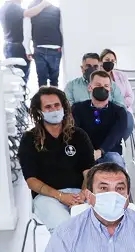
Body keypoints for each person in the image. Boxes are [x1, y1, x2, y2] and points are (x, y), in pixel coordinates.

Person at [18, 86, 94, 232]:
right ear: (39, 112)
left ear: (63, 107)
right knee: (66, 227)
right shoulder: (29, 139)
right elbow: (31, 181)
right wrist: (60, 196)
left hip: (79, 194)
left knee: (93, 226)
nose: (54, 110)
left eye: (57, 105)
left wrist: (83, 193)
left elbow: (89, 171)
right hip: (47, 197)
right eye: (48, 107)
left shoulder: (79, 135)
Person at [71, 70, 129, 168]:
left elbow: (115, 136)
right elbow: (76, 132)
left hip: (110, 152)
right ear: (90, 87)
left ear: (110, 89)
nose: (102, 88)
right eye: (98, 85)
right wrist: (89, 152)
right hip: (84, 152)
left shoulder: (119, 112)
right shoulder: (77, 108)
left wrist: (100, 151)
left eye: (106, 86)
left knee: (115, 160)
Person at [25, 0, 62, 87]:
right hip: (55, 47)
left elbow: (27, 30)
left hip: (39, 46)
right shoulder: (56, 9)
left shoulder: (31, 9)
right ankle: (55, 99)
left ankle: (42, 100)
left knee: (42, 80)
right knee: (54, 79)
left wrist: (27, 49)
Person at [100, 48, 135, 136]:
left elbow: (130, 97)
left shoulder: (122, 76)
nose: (110, 62)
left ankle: (118, 144)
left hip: (123, 109)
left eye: (112, 61)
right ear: (101, 61)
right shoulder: (95, 77)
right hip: (103, 111)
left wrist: (118, 106)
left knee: (127, 124)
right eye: (107, 60)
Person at [0, 0, 30, 81]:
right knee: (20, 78)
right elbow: (28, 13)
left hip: (8, 44)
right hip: (17, 48)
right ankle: (21, 93)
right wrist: (44, 4)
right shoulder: (13, 6)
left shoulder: (4, 7)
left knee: (13, 76)